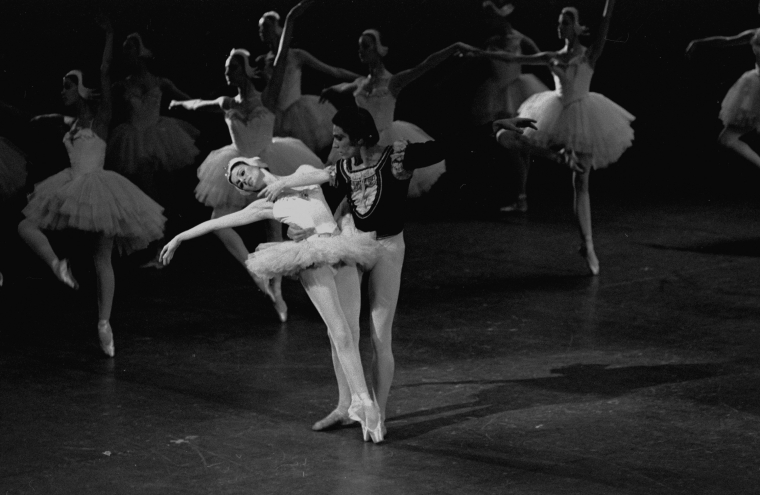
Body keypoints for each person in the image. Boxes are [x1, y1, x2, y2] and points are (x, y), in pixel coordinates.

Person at [259, 107, 537, 436]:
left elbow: (448, 144)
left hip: (388, 251)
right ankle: (345, 406)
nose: (334, 145)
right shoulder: (345, 168)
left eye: (340, 138)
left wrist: (493, 126)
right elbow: (321, 186)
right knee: (342, 334)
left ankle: (379, 413)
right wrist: (287, 193)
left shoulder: (398, 157)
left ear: (360, 138)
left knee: (380, 337)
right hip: (353, 247)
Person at [160, 156, 385, 443]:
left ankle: (350, 405)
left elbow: (327, 175)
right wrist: (180, 237)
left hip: (341, 248)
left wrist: (284, 183)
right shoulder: (266, 205)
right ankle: (366, 404)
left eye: (241, 173)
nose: (242, 180)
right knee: (339, 332)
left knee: (350, 333)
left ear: (256, 162)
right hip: (311, 258)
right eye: (238, 182)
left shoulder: (301, 173)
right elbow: (218, 223)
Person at [17, 17, 166, 357]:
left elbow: (104, 70)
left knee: (102, 258)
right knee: (25, 225)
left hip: (99, 189)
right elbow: (41, 120)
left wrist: (110, 35)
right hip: (71, 185)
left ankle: (104, 323)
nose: (62, 91)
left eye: (67, 86)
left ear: (80, 88)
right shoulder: (69, 124)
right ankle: (57, 266)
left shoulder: (100, 118)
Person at [169, 0, 322, 322]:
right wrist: (178, 104)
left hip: (271, 161)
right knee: (219, 219)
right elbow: (198, 104)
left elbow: (281, 59)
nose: (228, 72)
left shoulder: (267, 96)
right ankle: (256, 272)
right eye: (226, 68)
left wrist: (292, 17)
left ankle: (279, 294)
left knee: (274, 227)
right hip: (240, 165)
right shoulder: (226, 102)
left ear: (246, 69)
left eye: (233, 67)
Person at [475, 0, 633, 275]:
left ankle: (587, 244)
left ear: (577, 27)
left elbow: (605, 25)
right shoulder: (552, 55)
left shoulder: (589, 55)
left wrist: (610, 4)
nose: (560, 26)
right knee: (507, 136)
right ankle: (557, 158)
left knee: (581, 181)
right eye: (559, 22)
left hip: (585, 114)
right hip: (556, 112)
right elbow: (516, 59)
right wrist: (472, 52)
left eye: (566, 21)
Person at [321, 30, 476, 197]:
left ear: (378, 49)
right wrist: (330, 89)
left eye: (366, 46)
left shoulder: (392, 82)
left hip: (386, 138)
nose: (361, 51)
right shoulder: (361, 82)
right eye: (359, 47)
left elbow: (425, 65)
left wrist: (454, 47)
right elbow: (343, 82)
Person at [473, 1, 549, 213]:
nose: (487, 22)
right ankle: (521, 196)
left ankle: (522, 197)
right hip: (497, 94)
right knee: (516, 147)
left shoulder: (520, 38)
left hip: (520, 92)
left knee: (518, 147)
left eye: (490, 17)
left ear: (500, 18)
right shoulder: (490, 40)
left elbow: (541, 58)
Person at [107, 32, 200, 202]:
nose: (125, 52)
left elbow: (188, 100)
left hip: (161, 136)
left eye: (129, 47)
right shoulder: (121, 85)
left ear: (140, 50)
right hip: (133, 140)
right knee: (147, 187)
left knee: (169, 186)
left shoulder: (160, 82)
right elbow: (105, 110)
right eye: (123, 49)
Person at [257, 10, 360, 158]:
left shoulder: (297, 55)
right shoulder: (261, 61)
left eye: (265, 26)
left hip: (299, 114)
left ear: (279, 28)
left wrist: (364, 77)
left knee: (307, 156)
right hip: (276, 117)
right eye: (260, 28)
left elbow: (333, 71)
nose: (261, 31)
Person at [686, 2, 760, 170]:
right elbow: (726, 41)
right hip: (756, 88)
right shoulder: (756, 34)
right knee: (727, 140)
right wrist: (699, 42)